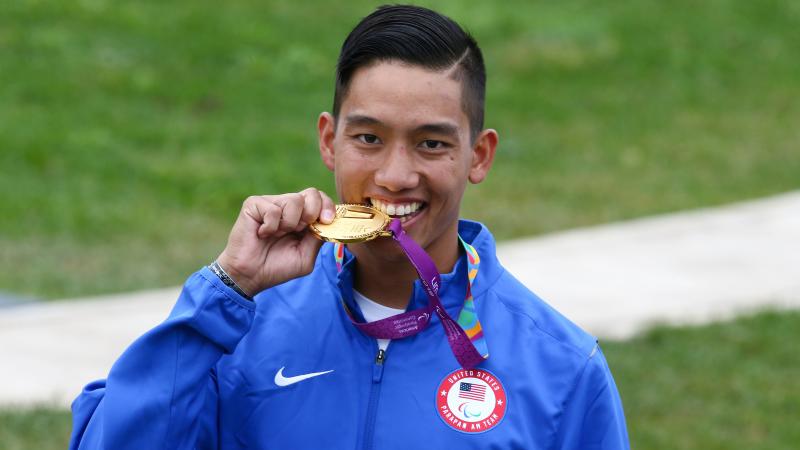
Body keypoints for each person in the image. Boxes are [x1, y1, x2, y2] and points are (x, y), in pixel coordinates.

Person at [69, 5, 629, 449]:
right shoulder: (238, 331)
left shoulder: (561, 370)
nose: (395, 174)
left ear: (478, 157)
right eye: (368, 138)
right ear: (328, 141)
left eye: (431, 143)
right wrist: (226, 288)